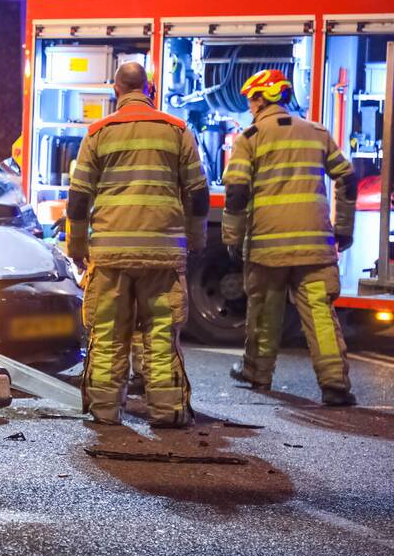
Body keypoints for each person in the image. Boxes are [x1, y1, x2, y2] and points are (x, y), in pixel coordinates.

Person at [67, 63, 208, 427]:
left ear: (116, 89)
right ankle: (168, 412)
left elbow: (79, 199)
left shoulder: (98, 132)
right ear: (149, 89)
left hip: (110, 254)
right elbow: (197, 192)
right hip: (162, 254)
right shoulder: (176, 130)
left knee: (108, 334)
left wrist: (77, 246)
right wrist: (196, 238)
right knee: (160, 335)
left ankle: (104, 411)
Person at [223, 69, 357, 406]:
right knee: (320, 314)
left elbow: (236, 192)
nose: (250, 106)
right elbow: (347, 178)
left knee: (264, 312)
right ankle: (335, 384)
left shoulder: (250, 138)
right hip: (315, 246)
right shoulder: (316, 133)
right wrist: (343, 228)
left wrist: (232, 237)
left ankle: (257, 373)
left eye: (251, 99)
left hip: (268, 246)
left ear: (262, 98)